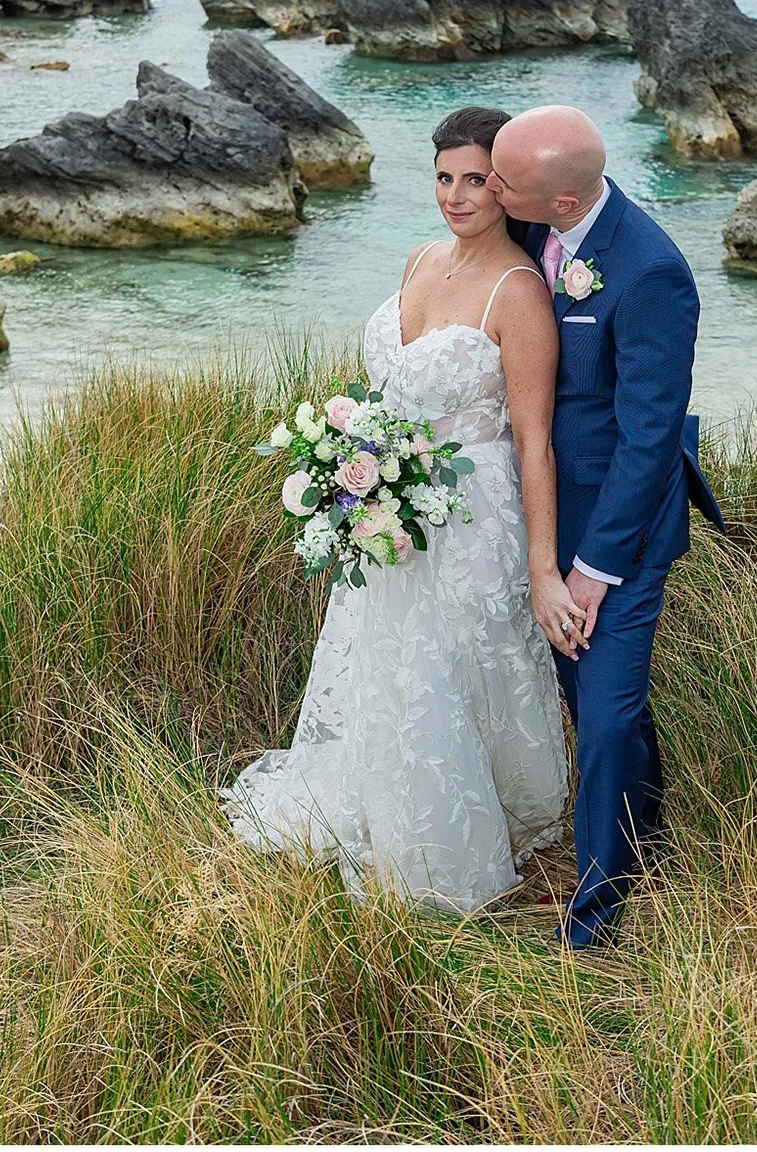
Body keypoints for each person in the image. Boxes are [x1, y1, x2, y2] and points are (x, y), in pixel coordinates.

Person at [224, 106, 571, 911]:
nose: (456, 195)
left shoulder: (519, 291)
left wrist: (543, 565)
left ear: (508, 186)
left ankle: (448, 841)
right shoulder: (419, 257)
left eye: (476, 180)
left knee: (451, 669)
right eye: (444, 177)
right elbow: (392, 389)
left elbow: (534, 442)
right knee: (384, 662)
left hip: (473, 512)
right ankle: (369, 809)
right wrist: (356, 463)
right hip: (388, 507)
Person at [489, 104, 723, 948]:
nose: (489, 187)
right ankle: (647, 834)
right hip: (535, 511)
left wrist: (591, 569)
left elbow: (650, 439)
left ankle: (595, 920)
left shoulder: (651, 271)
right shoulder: (529, 228)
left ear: (559, 202)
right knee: (590, 702)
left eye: (502, 179)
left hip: (617, 528)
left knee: (609, 715)